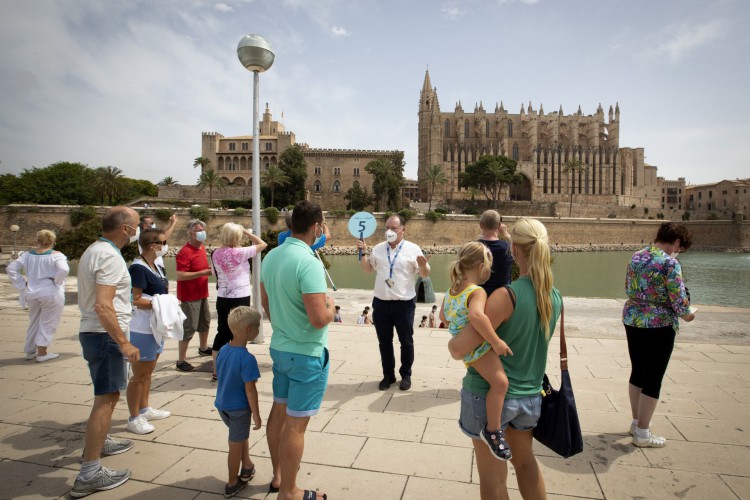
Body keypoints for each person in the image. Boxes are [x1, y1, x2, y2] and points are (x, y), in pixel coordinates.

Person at [448, 218, 562, 499]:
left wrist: (452, 341)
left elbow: (459, 348)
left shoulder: (505, 296)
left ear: (514, 250)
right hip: (530, 396)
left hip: (489, 397)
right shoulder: (554, 296)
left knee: (493, 478)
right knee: (526, 464)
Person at [261, 200, 334, 500]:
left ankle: (279, 476)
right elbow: (319, 319)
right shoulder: (309, 262)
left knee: (278, 411)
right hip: (306, 352)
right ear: (316, 227)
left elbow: (266, 306)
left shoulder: (271, 257)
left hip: (280, 348)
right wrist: (330, 306)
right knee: (296, 425)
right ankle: (290, 491)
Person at [71, 206, 141, 498]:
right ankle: (89, 472)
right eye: (136, 224)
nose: (139, 228)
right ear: (125, 228)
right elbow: (103, 304)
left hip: (93, 332)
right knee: (107, 398)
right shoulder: (110, 256)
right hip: (105, 336)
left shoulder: (95, 250)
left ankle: (101, 442)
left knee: (106, 395)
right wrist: (123, 341)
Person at [623, 222, 695, 448]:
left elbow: (628, 286)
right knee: (654, 378)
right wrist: (687, 314)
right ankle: (643, 433)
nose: (678, 251)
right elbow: (678, 298)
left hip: (633, 319)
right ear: (676, 242)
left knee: (638, 372)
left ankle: (636, 423)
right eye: (680, 247)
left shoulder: (637, 256)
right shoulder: (670, 262)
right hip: (659, 325)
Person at [440, 241, 513, 461]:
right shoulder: (477, 291)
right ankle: (493, 430)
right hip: (478, 349)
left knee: (497, 382)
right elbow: (477, 317)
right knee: (501, 383)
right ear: (480, 265)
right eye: (489, 265)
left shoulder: (452, 289)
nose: (490, 270)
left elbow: (443, 318)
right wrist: (497, 341)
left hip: (466, 350)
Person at [357, 214, 430, 391]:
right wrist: (363, 252)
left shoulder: (413, 249)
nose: (389, 231)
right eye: (387, 228)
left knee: (406, 341)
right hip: (381, 302)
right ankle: (388, 375)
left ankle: (406, 375)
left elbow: (425, 274)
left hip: (404, 303)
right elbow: (368, 269)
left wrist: (423, 266)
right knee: (384, 341)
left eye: (394, 228)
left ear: (403, 230)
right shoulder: (379, 249)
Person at [125, 228, 172, 435]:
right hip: (142, 328)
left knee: (148, 371)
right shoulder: (138, 268)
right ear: (153, 245)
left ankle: (144, 407)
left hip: (156, 326)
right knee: (139, 374)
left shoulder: (156, 266)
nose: (165, 245)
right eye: (163, 242)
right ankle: (134, 417)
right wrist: (159, 303)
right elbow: (134, 299)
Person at [210, 222, 267, 381]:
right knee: (241, 332)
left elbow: (215, 272)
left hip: (223, 296)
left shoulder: (215, 253)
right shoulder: (241, 252)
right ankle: (236, 366)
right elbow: (263, 244)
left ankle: (216, 370)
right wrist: (247, 232)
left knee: (222, 332)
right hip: (240, 296)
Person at [214, 306, 262, 498]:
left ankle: (247, 465)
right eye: (258, 327)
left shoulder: (223, 350)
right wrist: (257, 416)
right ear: (250, 331)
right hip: (239, 409)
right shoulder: (247, 359)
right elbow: (251, 390)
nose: (259, 330)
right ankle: (232, 482)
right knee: (235, 444)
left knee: (240, 437)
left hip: (222, 405)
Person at [7, 229, 69, 362]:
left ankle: (30, 350)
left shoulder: (27, 255)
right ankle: (42, 352)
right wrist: (57, 281)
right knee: (48, 321)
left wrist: (21, 284)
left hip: (31, 291)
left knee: (34, 320)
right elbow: (64, 269)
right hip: (50, 292)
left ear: (38, 241)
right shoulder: (56, 255)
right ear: (53, 241)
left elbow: (11, 268)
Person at [175, 219, 213, 371]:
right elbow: (179, 275)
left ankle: (203, 347)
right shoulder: (185, 252)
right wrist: (204, 272)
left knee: (205, 321)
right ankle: (181, 360)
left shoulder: (202, 247)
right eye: (198, 230)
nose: (202, 232)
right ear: (190, 233)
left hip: (202, 292)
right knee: (189, 327)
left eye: (203, 229)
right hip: (190, 295)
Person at [478, 210, 514, 296]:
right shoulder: (507, 247)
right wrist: (506, 234)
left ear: (481, 225)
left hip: (478, 297)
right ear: (499, 225)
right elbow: (523, 250)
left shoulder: (472, 247)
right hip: (503, 298)